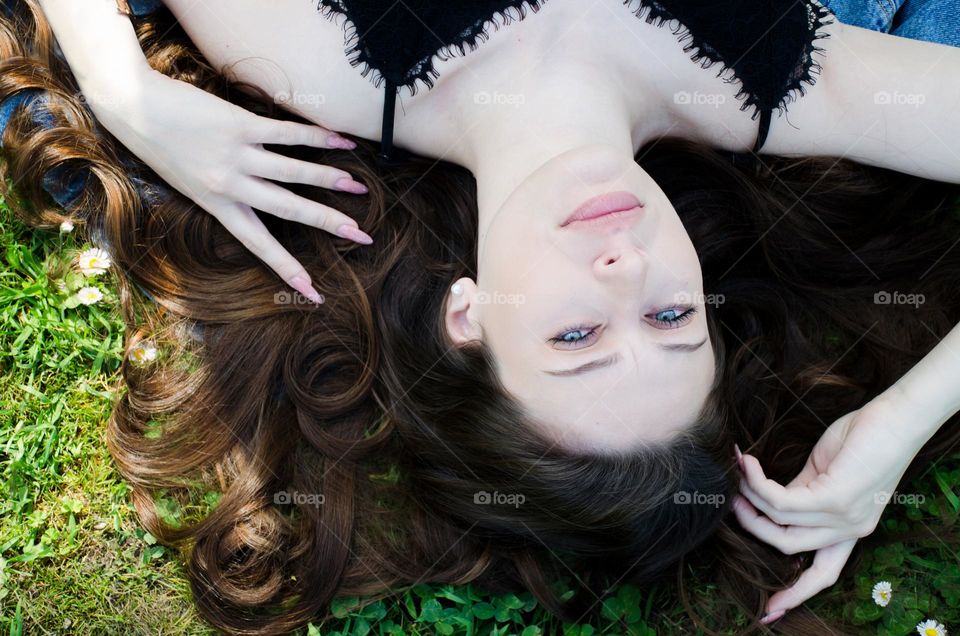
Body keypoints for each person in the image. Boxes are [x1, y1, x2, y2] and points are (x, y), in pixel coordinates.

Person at [1, 1, 960, 634]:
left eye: (577, 337)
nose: (622, 270)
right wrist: (900, 422)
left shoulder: (326, 60)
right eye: (671, 314)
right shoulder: (777, 82)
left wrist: (126, 92)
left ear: (467, 317)